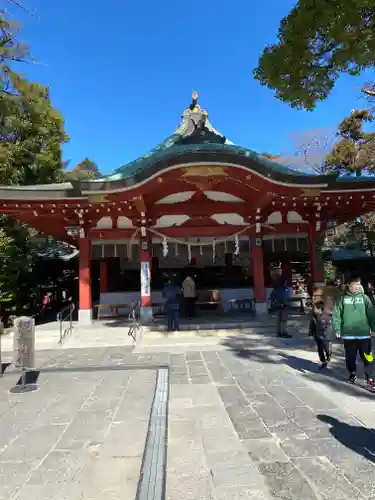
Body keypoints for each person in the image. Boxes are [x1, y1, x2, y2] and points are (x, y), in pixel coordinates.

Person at [332, 276, 375, 392]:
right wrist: (337, 329)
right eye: (354, 284)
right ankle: (352, 374)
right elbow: (337, 314)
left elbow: (371, 313)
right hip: (349, 334)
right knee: (350, 358)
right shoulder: (342, 298)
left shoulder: (365, 298)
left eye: (358, 284)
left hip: (364, 334)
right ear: (348, 285)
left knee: (368, 357)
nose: (356, 287)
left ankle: (370, 380)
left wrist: (373, 328)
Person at [309, 300, 333, 369]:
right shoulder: (314, 316)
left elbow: (329, 325)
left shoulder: (327, 315)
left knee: (326, 348)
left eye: (316, 308)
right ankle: (323, 361)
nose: (315, 310)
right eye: (314, 308)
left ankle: (328, 357)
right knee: (319, 349)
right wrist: (311, 333)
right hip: (317, 334)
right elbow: (312, 325)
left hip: (325, 334)